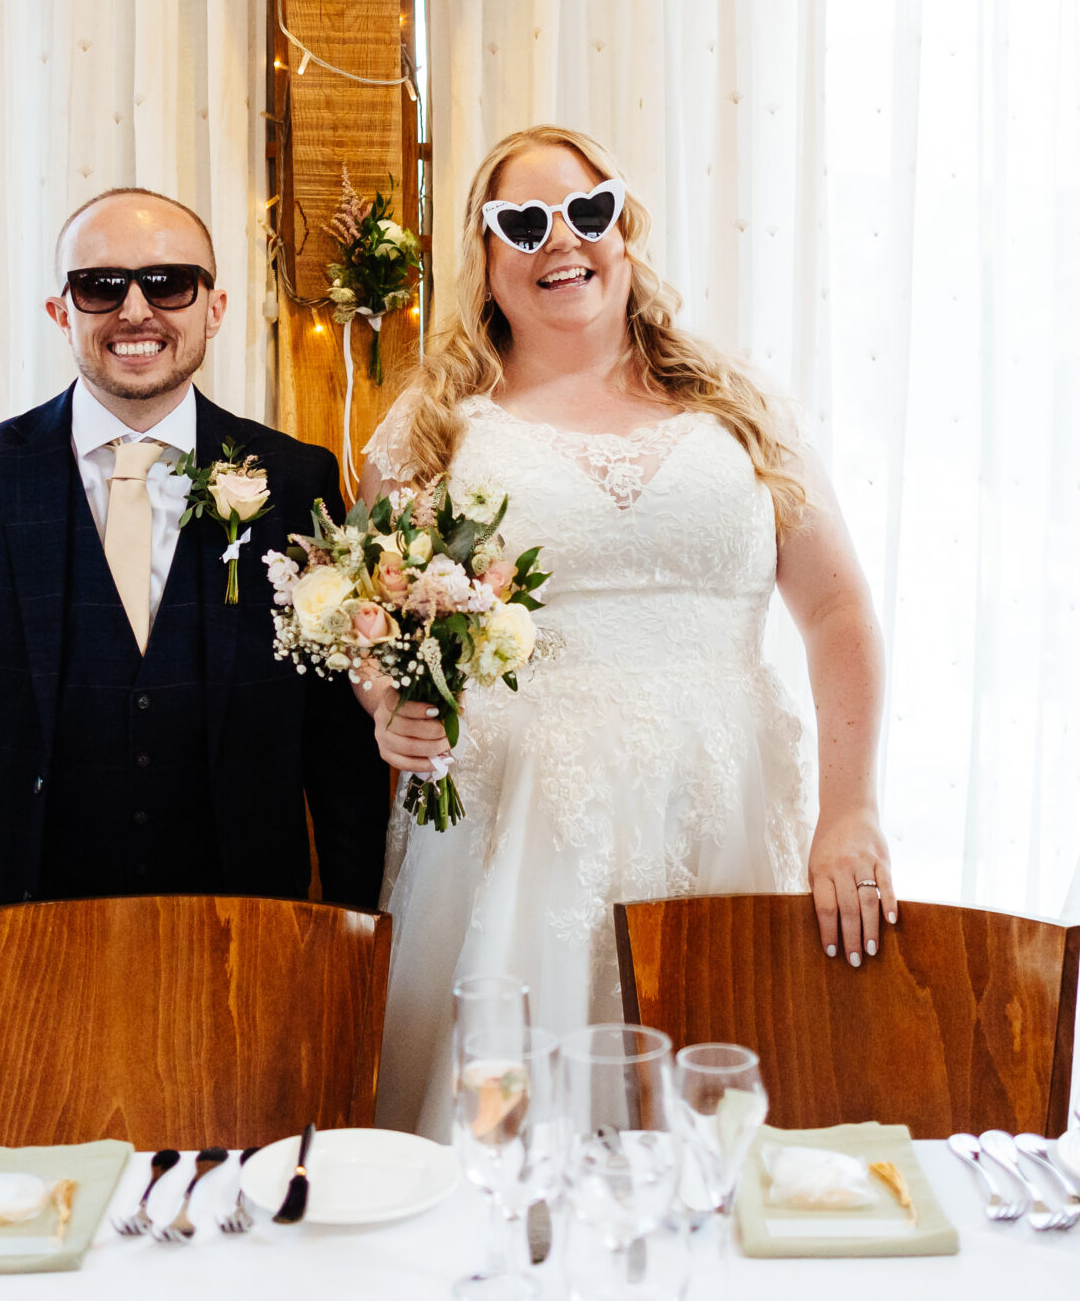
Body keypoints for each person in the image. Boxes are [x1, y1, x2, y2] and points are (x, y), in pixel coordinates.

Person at [361, 126, 892, 1139]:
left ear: (625, 230)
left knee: (715, 1112)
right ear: (483, 256)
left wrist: (851, 808)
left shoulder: (738, 406)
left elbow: (836, 611)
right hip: (514, 829)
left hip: (723, 808)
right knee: (502, 1120)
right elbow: (377, 623)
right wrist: (388, 707)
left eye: (587, 212)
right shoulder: (435, 427)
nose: (561, 241)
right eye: (522, 223)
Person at [0, 187, 388, 1116]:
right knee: (21, 1241)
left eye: (168, 282)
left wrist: (355, 955)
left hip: (243, 956)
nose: (136, 310)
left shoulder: (298, 482)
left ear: (214, 308)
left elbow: (338, 759)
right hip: (12, 954)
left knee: (243, 1236)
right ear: (63, 311)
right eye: (101, 286)